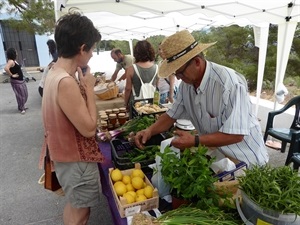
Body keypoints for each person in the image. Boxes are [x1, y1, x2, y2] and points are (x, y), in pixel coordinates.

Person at [135, 30, 269, 168]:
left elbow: (236, 134)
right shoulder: (186, 86)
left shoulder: (229, 84)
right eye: (176, 73)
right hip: (220, 159)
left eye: (180, 72)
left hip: (247, 162)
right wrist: (149, 131)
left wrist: (195, 140)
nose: (179, 78)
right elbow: (171, 115)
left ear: (197, 62)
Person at [39, 11, 103, 225]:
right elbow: (88, 129)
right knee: (80, 213)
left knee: (75, 206)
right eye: (92, 49)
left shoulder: (53, 72)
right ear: (82, 48)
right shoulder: (65, 82)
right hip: (76, 161)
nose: (92, 54)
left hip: (64, 156)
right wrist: (89, 89)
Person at [124, 40, 158, 107]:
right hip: (152, 103)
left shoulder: (131, 68)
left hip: (136, 104)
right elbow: (157, 86)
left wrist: (125, 103)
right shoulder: (156, 67)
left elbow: (128, 89)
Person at [4, 47, 28, 114]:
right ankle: (21, 108)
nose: (17, 53)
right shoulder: (10, 61)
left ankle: (22, 105)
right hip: (16, 82)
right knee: (21, 95)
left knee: (25, 94)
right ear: (13, 53)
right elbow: (6, 68)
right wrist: (12, 75)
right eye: (15, 51)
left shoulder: (14, 60)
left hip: (21, 81)